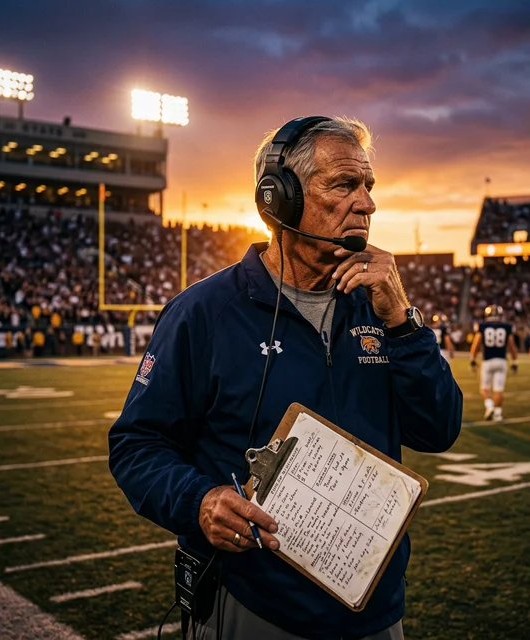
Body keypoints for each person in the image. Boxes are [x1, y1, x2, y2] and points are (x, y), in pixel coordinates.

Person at [109, 116, 463, 640]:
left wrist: (404, 323)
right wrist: (199, 500)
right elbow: (137, 444)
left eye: (368, 187)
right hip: (253, 602)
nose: (366, 203)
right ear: (281, 198)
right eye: (344, 184)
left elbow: (438, 429)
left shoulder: (381, 306)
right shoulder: (206, 312)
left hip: (375, 609)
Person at [469, 304, 518, 422]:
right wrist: (515, 361)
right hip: (501, 360)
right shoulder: (506, 326)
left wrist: (473, 359)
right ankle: (498, 414)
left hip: (487, 361)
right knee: (499, 389)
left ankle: (490, 406)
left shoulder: (483, 326)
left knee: (484, 389)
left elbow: (476, 343)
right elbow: (512, 346)